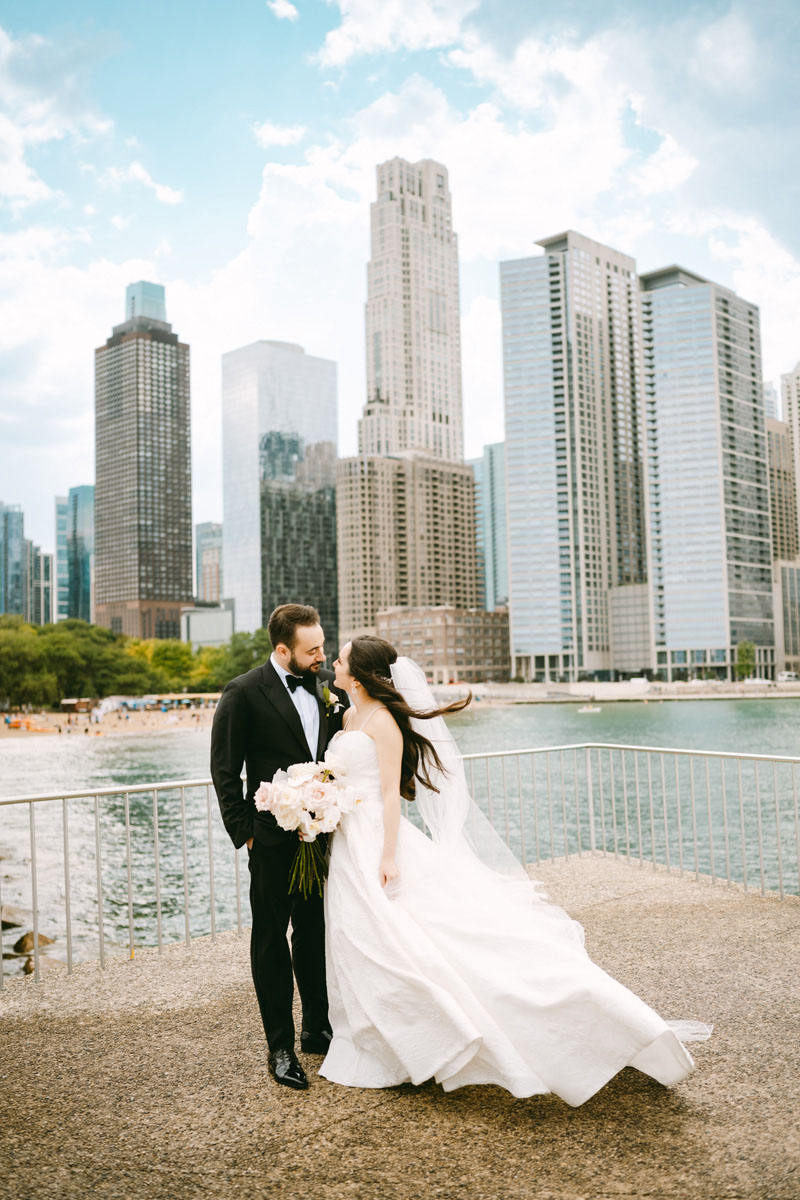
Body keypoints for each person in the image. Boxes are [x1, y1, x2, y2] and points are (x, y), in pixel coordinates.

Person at [318, 636, 710, 1107]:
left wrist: (386, 855)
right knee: (360, 936)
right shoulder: (346, 717)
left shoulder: (383, 723)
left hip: (377, 842)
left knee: (431, 940)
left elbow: (386, 795)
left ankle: (578, 1021)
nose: (333, 665)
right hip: (344, 842)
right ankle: (380, 1040)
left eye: (339, 659)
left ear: (357, 675)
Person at [210, 604, 348, 1092]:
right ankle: (280, 1046)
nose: (322, 656)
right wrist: (246, 831)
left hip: (321, 833)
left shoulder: (330, 686)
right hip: (270, 839)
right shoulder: (243, 692)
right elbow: (224, 771)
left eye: (324, 647)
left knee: (313, 932)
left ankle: (317, 1028)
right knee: (270, 939)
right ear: (282, 649)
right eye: (313, 650)